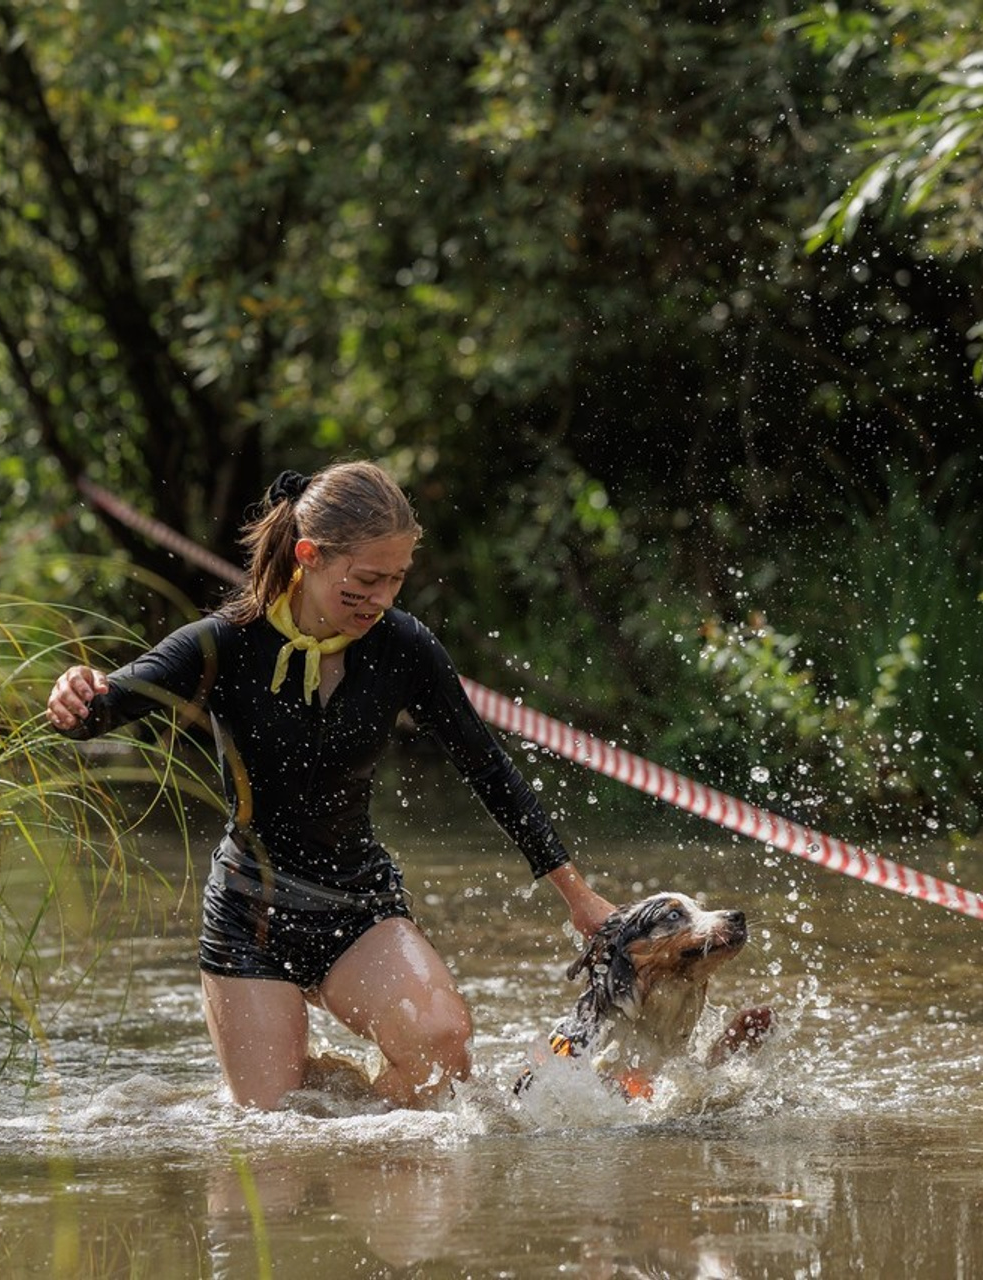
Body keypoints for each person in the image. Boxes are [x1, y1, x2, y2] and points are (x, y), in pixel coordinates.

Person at [47, 461, 615, 1110]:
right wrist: (77, 693)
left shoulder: (405, 648)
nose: (382, 599)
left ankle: (360, 1130)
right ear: (309, 557)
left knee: (442, 1049)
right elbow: (103, 708)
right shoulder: (224, 645)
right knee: (276, 1134)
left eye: (397, 580)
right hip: (249, 916)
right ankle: (314, 1084)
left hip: (358, 904)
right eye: (367, 580)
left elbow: (487, 769)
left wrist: (578, 897)